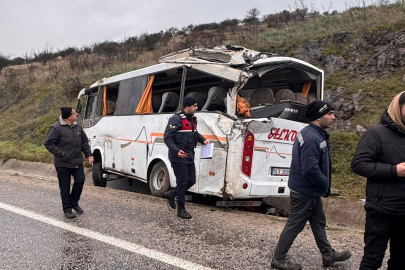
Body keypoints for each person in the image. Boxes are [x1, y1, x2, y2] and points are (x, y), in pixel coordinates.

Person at [271, 100, 351, 270]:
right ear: (318, 116)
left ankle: (328, 255)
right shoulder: (311, 137)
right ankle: (278, 259)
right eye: (329, 113)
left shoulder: (314, 133)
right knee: (295, 224)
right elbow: (310, 168)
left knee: (318, 222)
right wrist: (325, 183)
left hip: (311, 190)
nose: (333, 117)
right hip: (305, 191)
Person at [351, 91, 405, 270]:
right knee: (372, 260)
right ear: (399, 108)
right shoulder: (376, 133)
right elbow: (359, 164)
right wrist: (394, 170)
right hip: (381, 210)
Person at [163, 96, 209, 219]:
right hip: (178, 156)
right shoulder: (176, 119)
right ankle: (181, 209)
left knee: (191, 180)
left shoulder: (192, 119)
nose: (196, 108)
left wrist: (203, 140)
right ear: (187, 107)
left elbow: (194, 133)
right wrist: (177, 151)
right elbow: (167, 138)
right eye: (194, 106)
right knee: (183, 181)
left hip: (189, 155)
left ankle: (172, 193)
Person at [44, 107, 93, 219]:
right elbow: (49, 144)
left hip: (77, 161)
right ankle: (67, 209)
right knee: (65, 187)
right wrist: (62, 153)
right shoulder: (56, 128)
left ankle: (74, 203)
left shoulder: (78, 127)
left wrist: (89, 155)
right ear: (69, 116)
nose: (76, 114)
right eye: (74, 113)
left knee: (80, 181)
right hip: (62, 164)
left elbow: (84, 143)